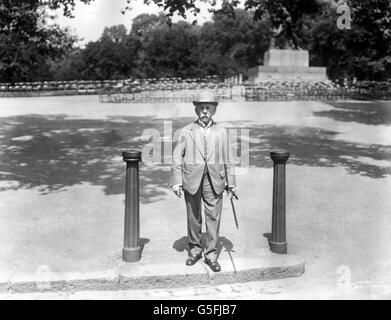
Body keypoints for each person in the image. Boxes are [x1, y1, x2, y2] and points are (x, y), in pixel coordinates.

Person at [170, 91, 237, 272]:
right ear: (196, 109)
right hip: (191, 178)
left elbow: (228, 158)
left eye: (208, 107)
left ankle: (211, 254)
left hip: (214, 179)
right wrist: (176, 181)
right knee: (194, 217)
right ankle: (194, 250)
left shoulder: (222, 131)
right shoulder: (187, 130)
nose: (205, 111)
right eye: (201, 107)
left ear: (214, 110)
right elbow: (177, 156)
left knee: (213, 216)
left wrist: (231, 183)